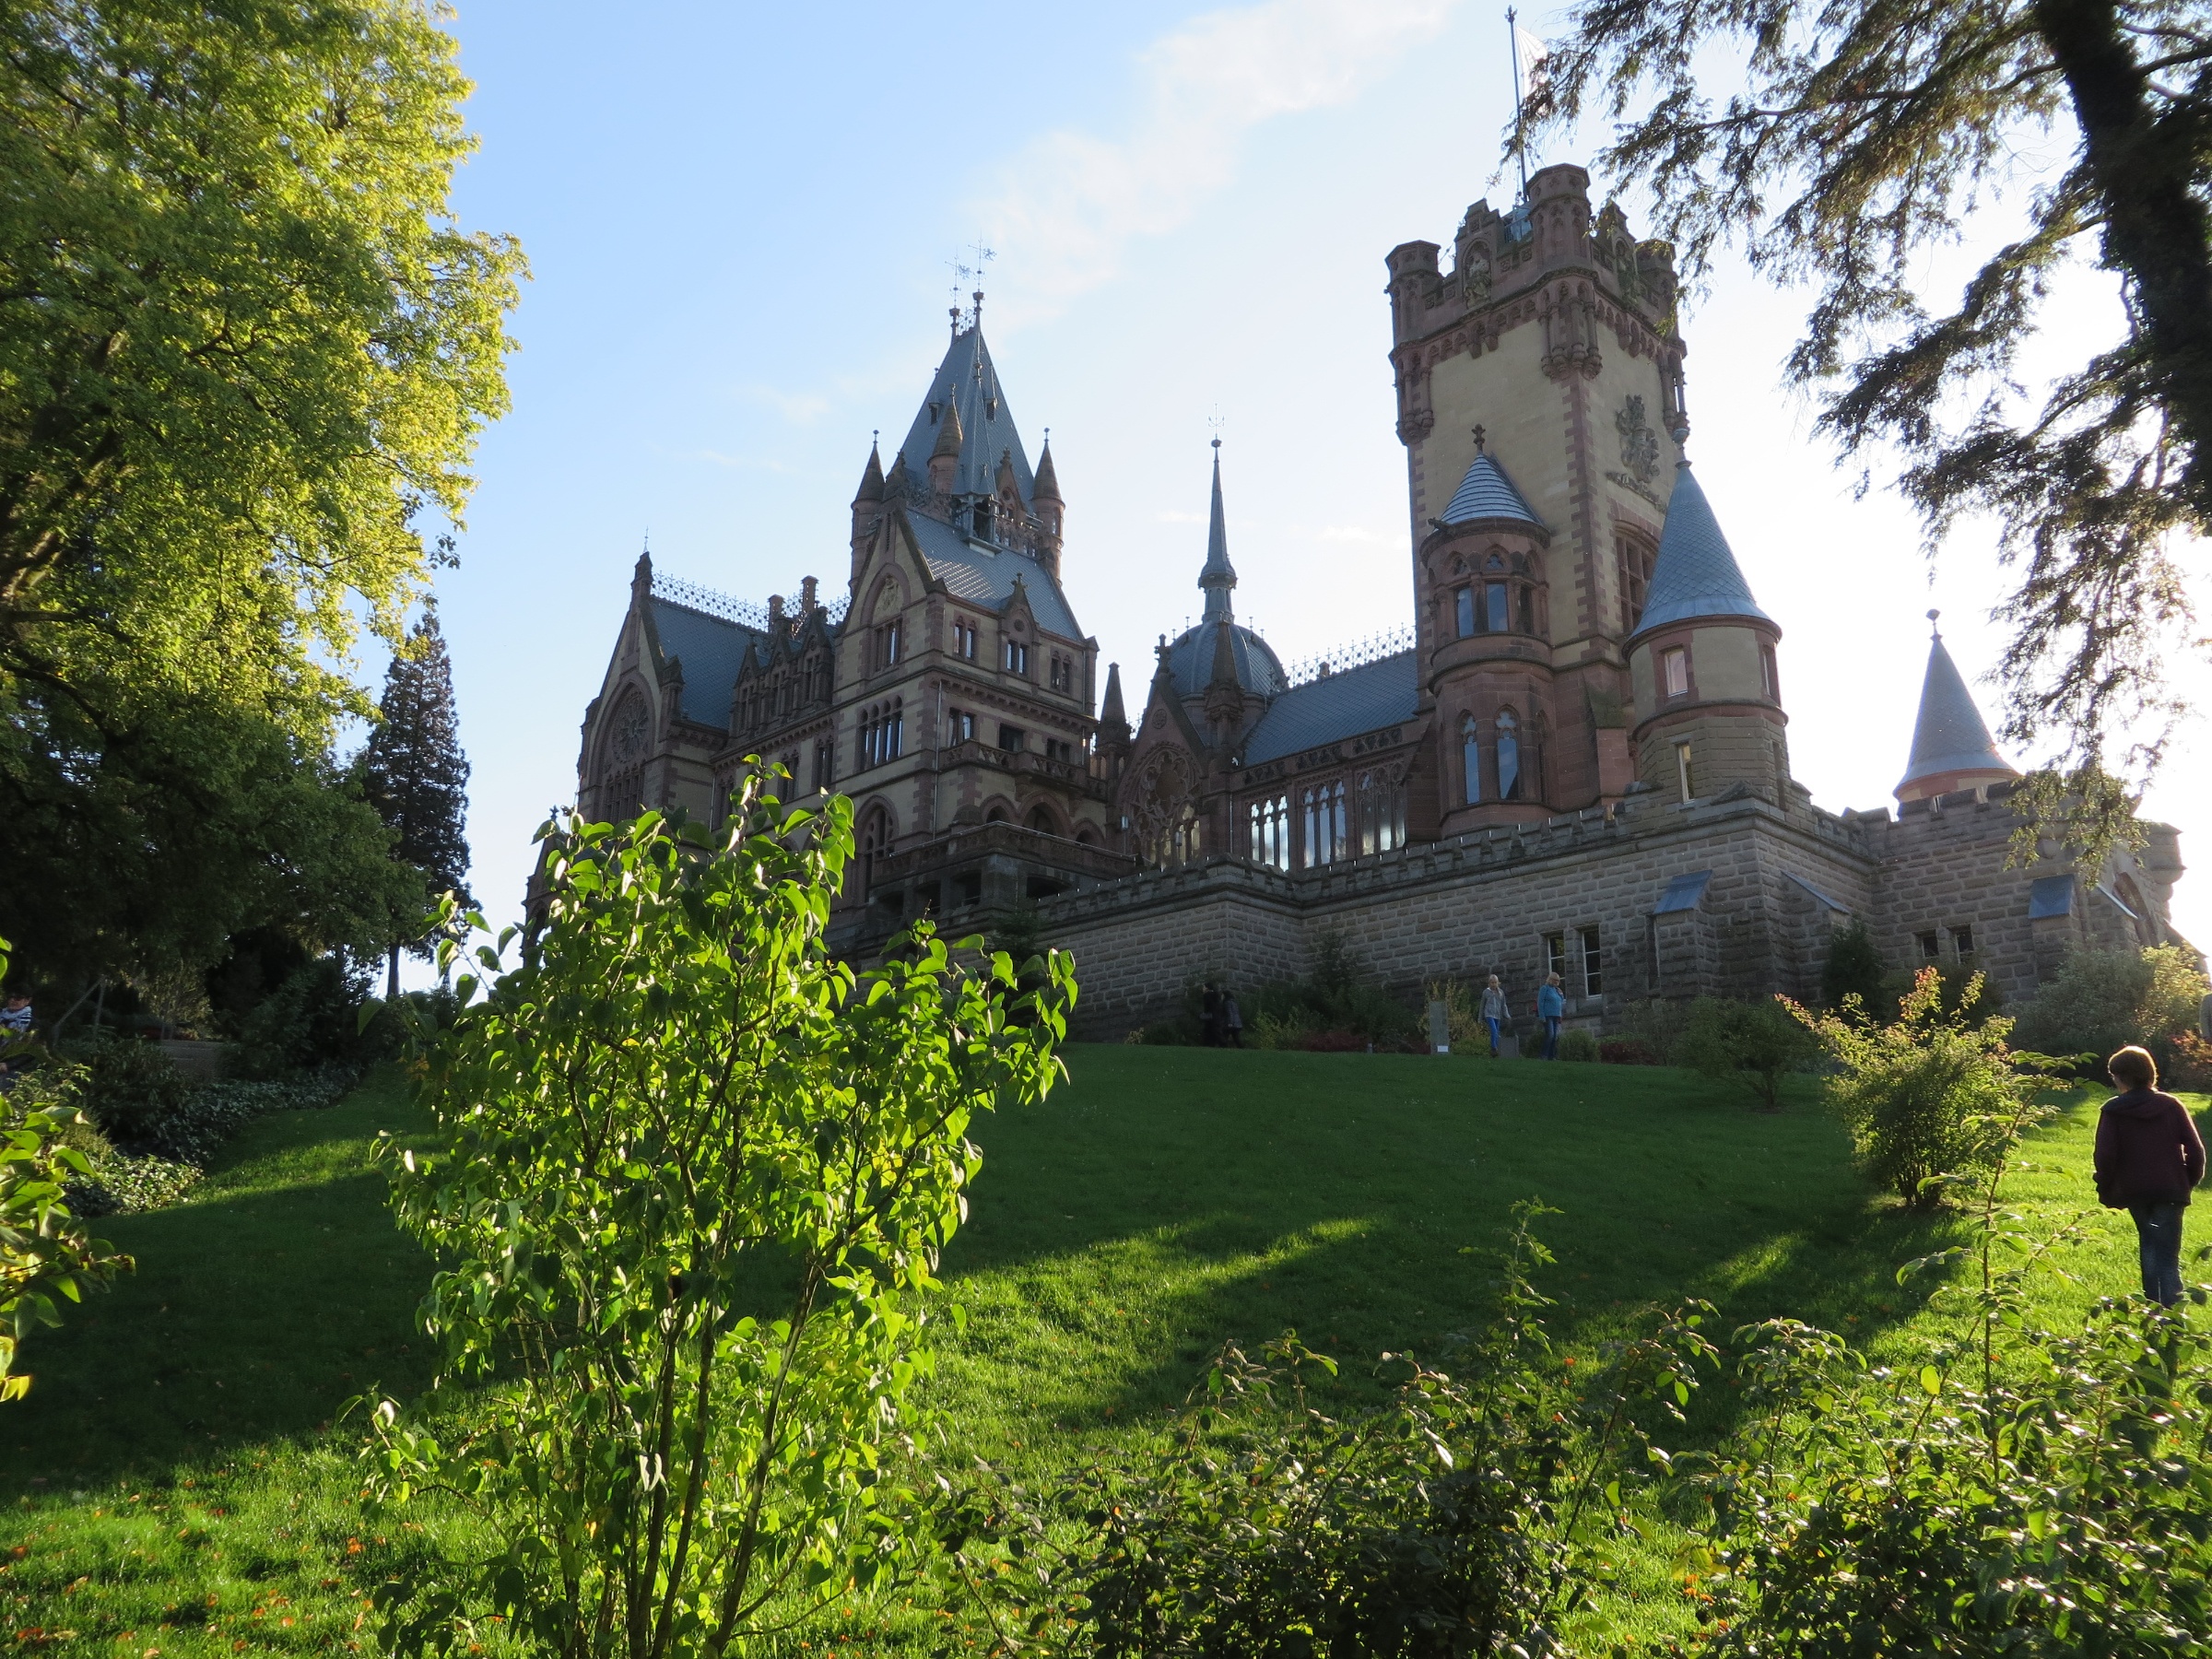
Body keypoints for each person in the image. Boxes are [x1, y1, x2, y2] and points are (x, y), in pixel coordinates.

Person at [2093, 1045, 2206, 1308]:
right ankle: (2173, 1314)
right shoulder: (2171, 1105)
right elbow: (2195, 1149)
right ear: (2150, 1073)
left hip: (2135, 1191)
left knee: (2150, 1247)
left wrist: (2105, 1185)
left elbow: (2105, 1155)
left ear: (2121, 1077)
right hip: (2170, 1190)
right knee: (2168, 1253)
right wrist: (2187, 1181)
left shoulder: (2112, 1110)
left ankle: (2154, 1310)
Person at [1537, 973, 1566, 1060]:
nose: (1557, 982)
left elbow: (1560, 1002)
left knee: (1555, 1037)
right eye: (1555, 980)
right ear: (1551, 979)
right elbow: (1540, 1002)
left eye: (1558, 981)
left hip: (1556, 1016)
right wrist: (1542, 1016)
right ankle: (1544, 1055)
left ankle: (1551, 1056)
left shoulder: (1557, 990)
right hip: (1547, 1015)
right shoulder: (1544, 988)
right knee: (1550, 1035)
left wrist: (1561, 995)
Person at [1479, 974, 1508, 1058]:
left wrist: (1506, 1014)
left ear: (1497, 983)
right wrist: (1480, 1018)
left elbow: (1504, 1005)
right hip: (1489, 1014)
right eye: (1492, 982)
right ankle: (1493, 1047)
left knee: (1496, 1033)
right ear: (1489, 983)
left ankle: (1495, 1051)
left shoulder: (1501, 992)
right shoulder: (1486, 992)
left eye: (1495, 982)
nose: (1494, 984)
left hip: (1497, 1015)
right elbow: (1482, 1005)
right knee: (1494, 1030)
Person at [1200, 982, 1222, 1048]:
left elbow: (1207, 1007)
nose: (1203, 989)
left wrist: (1204, 1014)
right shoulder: (1216, 995)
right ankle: (1215, 1045)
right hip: (1217, 1016)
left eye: (1203, 987)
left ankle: (1209, 1045)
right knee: (1215, 1032)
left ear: (1207, 988)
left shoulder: (1206, 995)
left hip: (1210, 1016)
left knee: (1208, 1032)